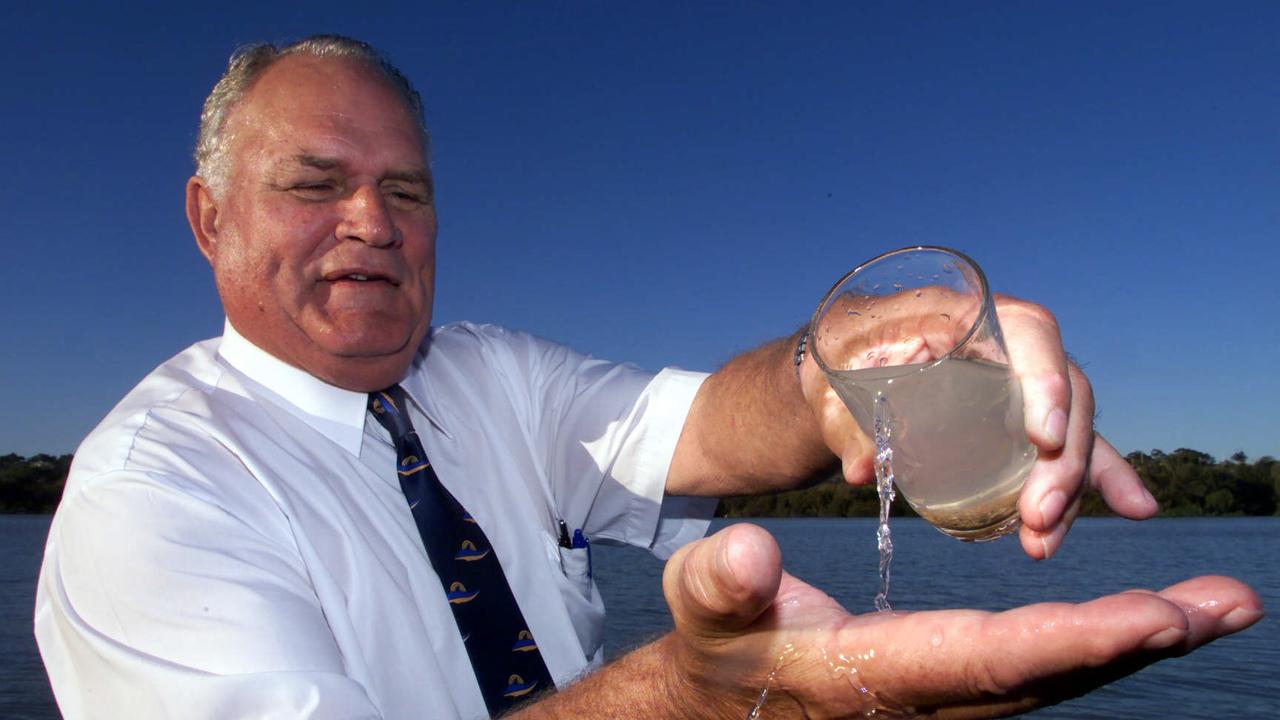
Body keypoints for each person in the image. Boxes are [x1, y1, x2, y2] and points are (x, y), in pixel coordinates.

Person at [34, 35, 1261, 720]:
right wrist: (685, 698)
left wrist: (841, 361)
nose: (372, 221)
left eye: (405, 192)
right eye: (314, 184)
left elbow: (712, 423)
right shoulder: (154, 491)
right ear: (206, 219)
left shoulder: (487, 375)